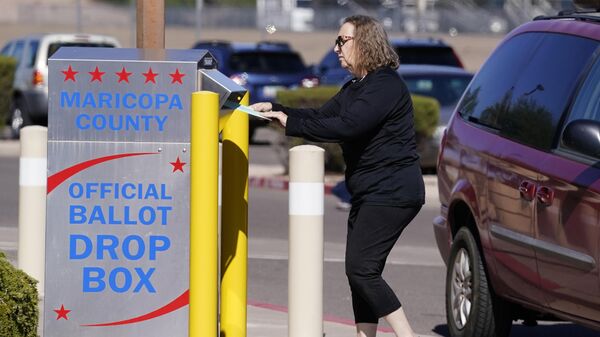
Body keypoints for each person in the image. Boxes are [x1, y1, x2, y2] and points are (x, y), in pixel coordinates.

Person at [250, 15, 425, 337]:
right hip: (371, 191)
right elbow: (321, 116)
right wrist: (276, 110)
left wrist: (292, 124)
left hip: (392, 192)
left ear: (365, 43)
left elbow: (347, 126)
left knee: (361, 270)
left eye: (342, 41)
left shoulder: (385, 85)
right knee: (361, 272)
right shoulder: (357, 87)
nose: (336, 49)